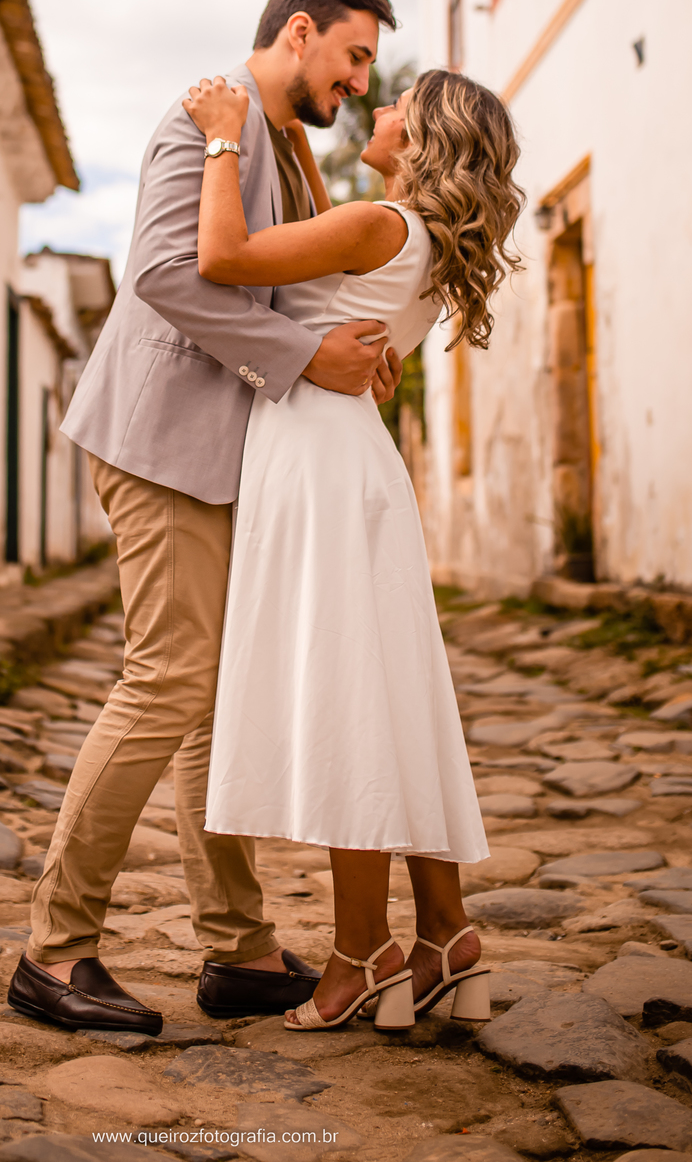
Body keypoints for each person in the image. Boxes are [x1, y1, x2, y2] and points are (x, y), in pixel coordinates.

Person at [7, 0, 403, 1035]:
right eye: (355, 56)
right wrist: (300, 356)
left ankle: (234, 951)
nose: (361, 84)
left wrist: (347, 348)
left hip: (220, 455)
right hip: (158, 443)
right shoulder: (205, 120)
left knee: (208, 704)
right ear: (301, 32)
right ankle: (54, 951)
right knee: (166, 682)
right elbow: (167, 280)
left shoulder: (281, 145)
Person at [182, 66, 524, 1030]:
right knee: (391, 698)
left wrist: (219, 135)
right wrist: (292, 149)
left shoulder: (382, 227)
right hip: (352, 464)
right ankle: (444, 936)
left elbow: (223, 256)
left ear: (422, 143)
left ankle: (360, 954)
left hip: (318, 468)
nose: (377, 112)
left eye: (398, 108)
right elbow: (335, 284)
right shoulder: (411, 240)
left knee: (350, 704)